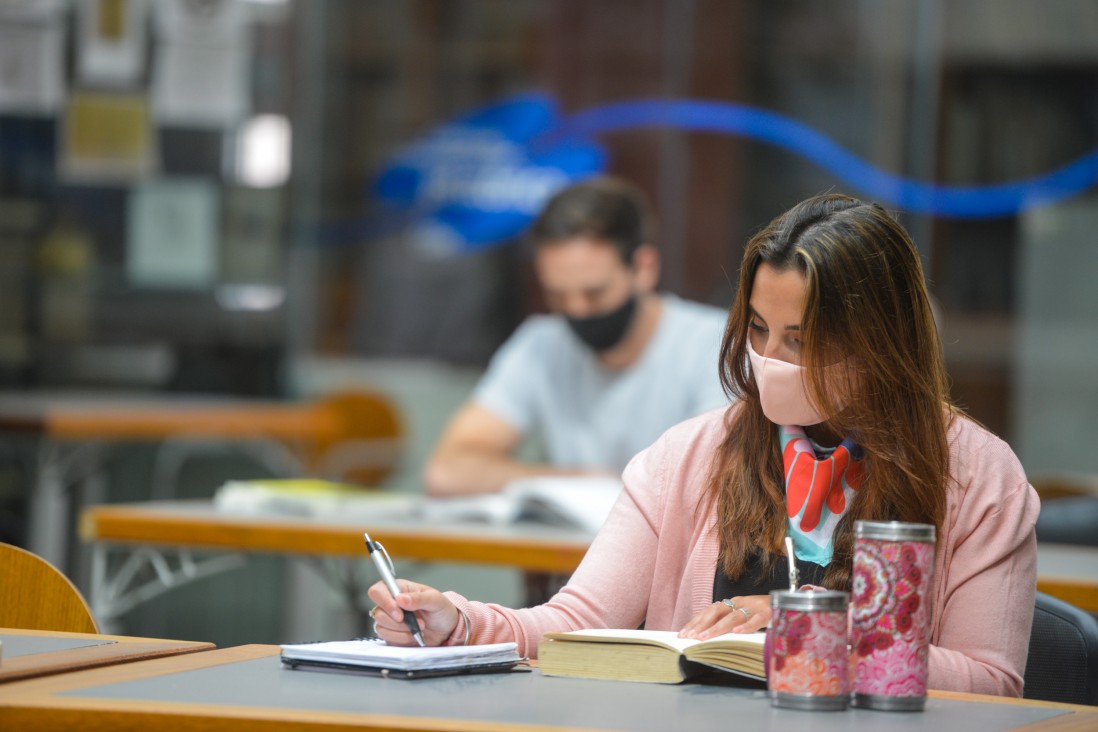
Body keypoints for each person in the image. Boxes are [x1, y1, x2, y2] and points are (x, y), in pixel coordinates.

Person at [371, 193, 1039, 697]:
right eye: (756, 329)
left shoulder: (978, 475)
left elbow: (990, 680)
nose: (768, 359)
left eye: (800, 340)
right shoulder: (688, 457)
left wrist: (800, 629)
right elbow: (576, 621)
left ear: (881, 340)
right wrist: (457, 623)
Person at [423, 175, 729, 497]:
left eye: (594, 293)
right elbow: (447, 471)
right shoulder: (540, 345)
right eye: (558, 296)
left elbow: (717, 482)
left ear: (643, 269)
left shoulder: (714, 347)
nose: (577, 310)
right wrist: (578, 483)